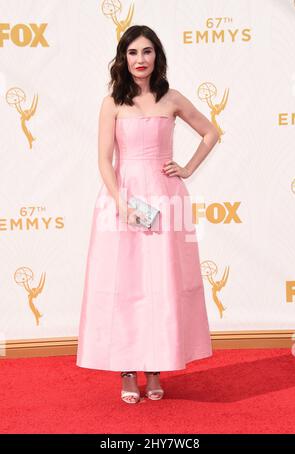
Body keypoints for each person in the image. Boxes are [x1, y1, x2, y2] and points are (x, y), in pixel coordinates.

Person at [76, 25, 219, 404]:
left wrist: (186, 168)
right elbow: (104, 159)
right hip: (122, 200)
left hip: (165, 199)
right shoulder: (112, 103)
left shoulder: (170, 98)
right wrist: (120, 202)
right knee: (125, 285)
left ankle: (154, 367)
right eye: (133, 53)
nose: (140, 60)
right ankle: (127, 370)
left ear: (158, 56)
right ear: (123, 58)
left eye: (147, 52)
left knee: (161, 285)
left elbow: (210, 132)